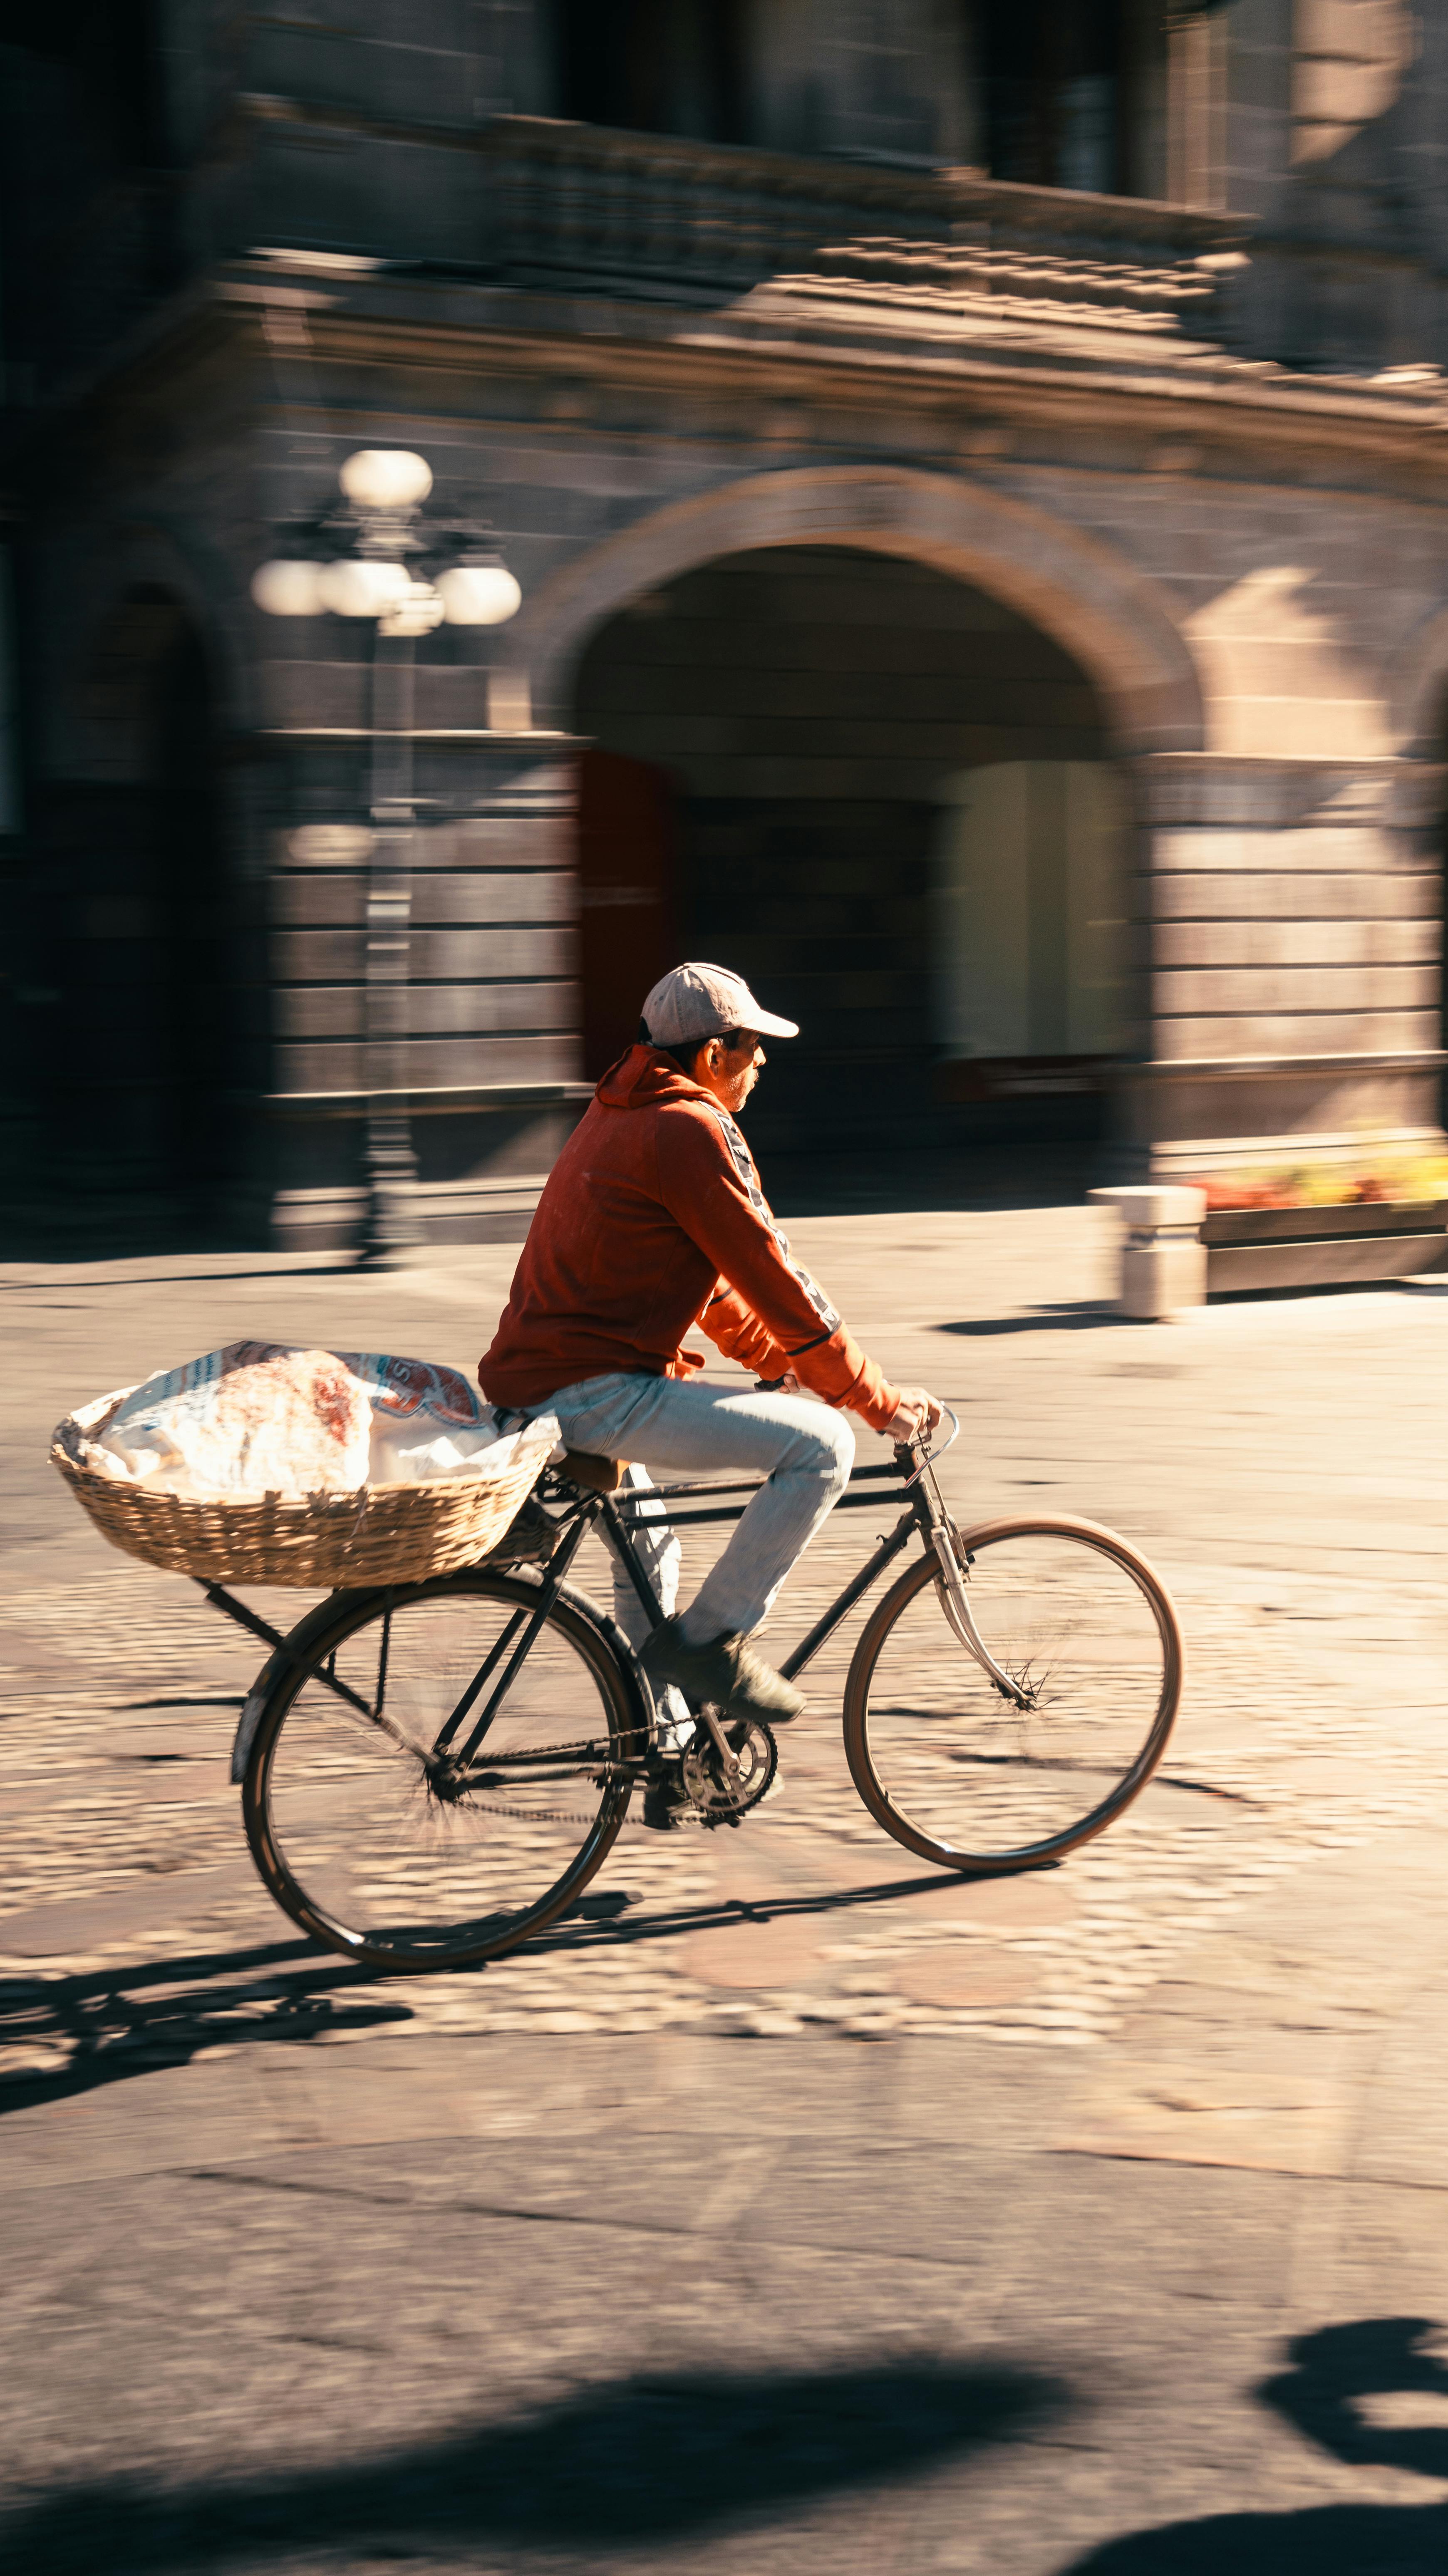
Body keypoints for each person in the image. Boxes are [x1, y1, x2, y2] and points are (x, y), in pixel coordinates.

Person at [479, 961, 942, 1815]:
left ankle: (674, 1754)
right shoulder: (693, 1130)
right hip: (592, 1391)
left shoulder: (623, 1109)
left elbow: (719, 1285)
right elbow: (778, 1275)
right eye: (753, 1047)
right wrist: (871, 1400)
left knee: (650, 1549)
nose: (762, 1062)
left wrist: (780, 1365)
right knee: (821, 1449)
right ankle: (713, 1647)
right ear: (713, 1053)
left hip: (548, 1379)